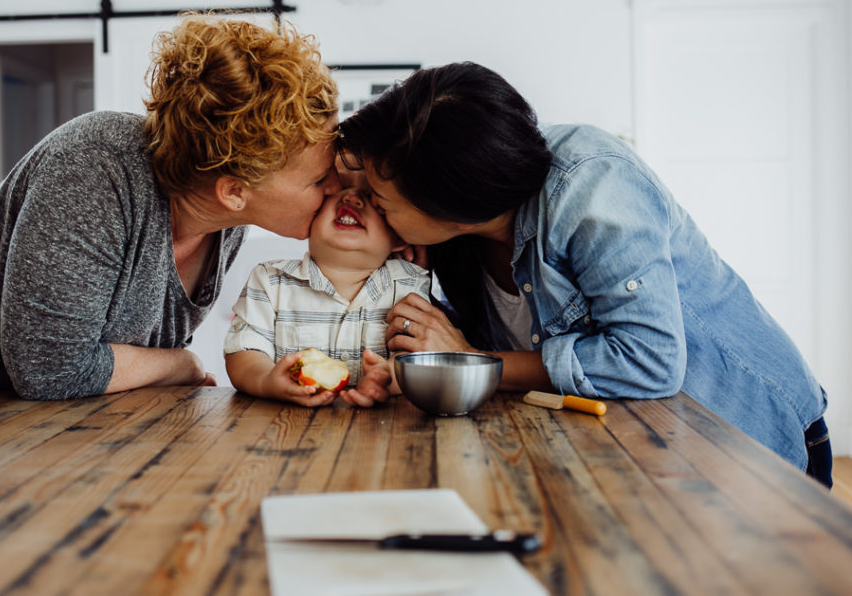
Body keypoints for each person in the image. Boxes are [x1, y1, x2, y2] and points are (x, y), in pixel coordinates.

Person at [336, 61, 831, 486]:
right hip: (638, 447)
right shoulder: (460, 234)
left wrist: (474, 364)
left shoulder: (591, 184)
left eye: (380, 201)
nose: (372, 208)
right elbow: (514, 330)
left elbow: (649, 359)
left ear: (452, 209)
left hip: (743, 437)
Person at [0, 15, 342, 400]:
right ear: (233, 190)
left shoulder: (227, 217)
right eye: (321, 179)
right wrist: (181, 363)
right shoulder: (94, 169)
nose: (338, 186)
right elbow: (50, 371)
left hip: (10, 419)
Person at [224, 187, 430, 407]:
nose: (352, 198)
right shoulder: (269, 280)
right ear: (309, 217)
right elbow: (243, 351)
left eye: (371, 195)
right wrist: (266, 382)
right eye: (339, 189)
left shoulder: (410, 284)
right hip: (287, 423)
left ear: (399, 236)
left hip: (381, 424)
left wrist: (387, 379)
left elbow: (418, 355)